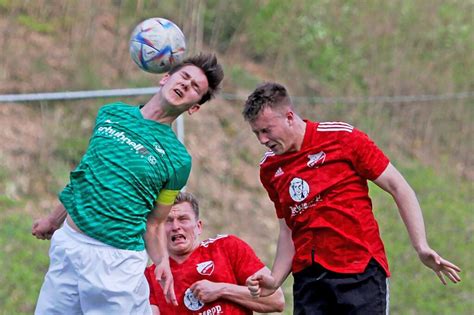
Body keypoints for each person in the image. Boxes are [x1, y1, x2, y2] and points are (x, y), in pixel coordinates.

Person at [242, 82, 461, 314]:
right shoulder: (269, 168)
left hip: (360, 274)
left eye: (267, 130)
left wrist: (421, 246)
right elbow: (288, 230)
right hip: (310, 282)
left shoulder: (342, 138)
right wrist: (275, 279)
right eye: (256, 133)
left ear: (289, 117)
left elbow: (400, 188)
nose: (262, 140)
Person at [31, 53, 224, 314]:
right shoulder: (111, 114)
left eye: (194, 88)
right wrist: (53, 221)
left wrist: (161, 261)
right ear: (166, 78)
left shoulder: (178, 160)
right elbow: (84, 175)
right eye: (183, 77)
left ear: (194, 107)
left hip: (116, 262)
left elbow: (155, 222)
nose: (185, 86)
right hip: (69, 244)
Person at [144, 191, 285, 314]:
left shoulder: (227, 247)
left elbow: (276, 300)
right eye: (168, 221)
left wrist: (221, 290)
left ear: (198, 227)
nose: (176, 227)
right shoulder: (151, 276)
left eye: (183, 219)